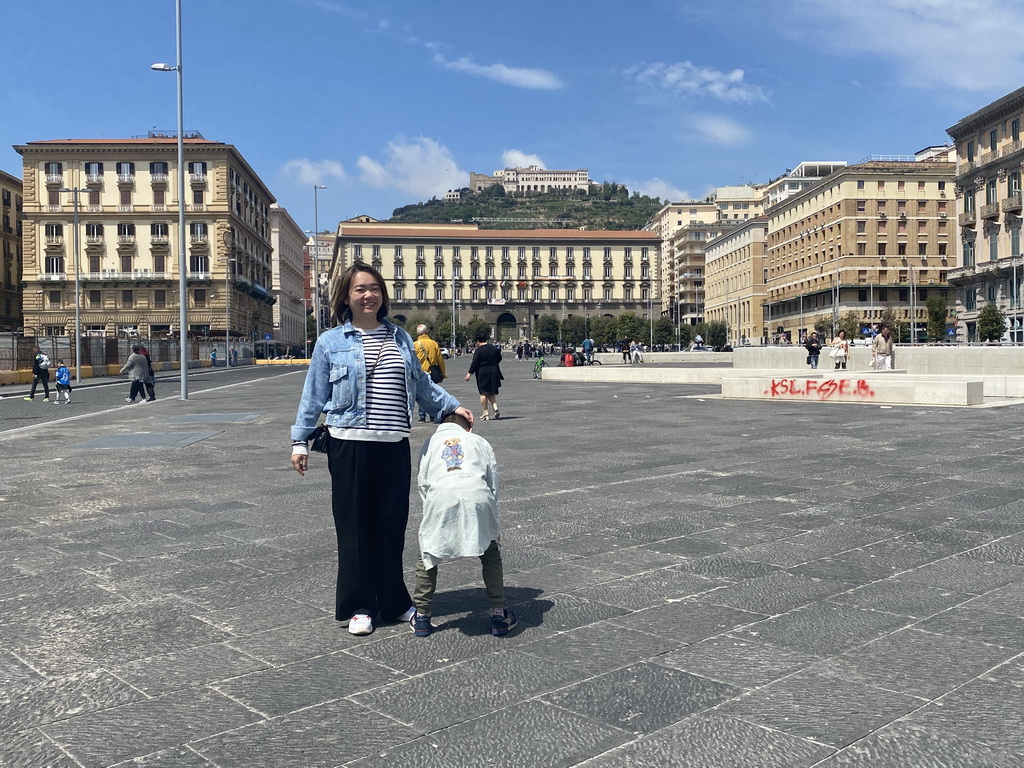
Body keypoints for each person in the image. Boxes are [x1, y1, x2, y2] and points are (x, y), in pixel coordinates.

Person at [290, 262, 474, 637]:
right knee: (354, 528)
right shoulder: (330, 342)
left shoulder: (401, 338)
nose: (368, 295)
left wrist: (451, 406)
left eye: (374, 288)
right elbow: (313, 395)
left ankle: (394, 601)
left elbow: (421, 384)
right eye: (360, 289)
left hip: (393, 446)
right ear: (346, 296)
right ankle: (359, 606)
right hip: (349, 444)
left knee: (392, 527)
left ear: (383, 295)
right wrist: (300, 440)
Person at [409, 412, 516, 638]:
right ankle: (498, 614)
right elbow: (492, 479)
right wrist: (490, 517)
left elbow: (423, 483)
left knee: (428, 555)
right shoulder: (478, 441)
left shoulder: (430, 442)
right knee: (490, 553)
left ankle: (422, 617)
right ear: (468, 428)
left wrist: (433, 508)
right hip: (478, 496)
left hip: (440, 498)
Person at [464, 328, 503, 421]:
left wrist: (469, 373)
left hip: (482, 371)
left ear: (478, 341)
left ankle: (486, 413)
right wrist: (493, 363)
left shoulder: (479, 350)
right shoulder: (494, 348)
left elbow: (475, 363)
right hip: (494, 371)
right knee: (491, 391)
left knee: (483, 392)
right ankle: (495, 407)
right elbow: (499, 358)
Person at [413, 324, 446, 423]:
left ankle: (422, 416)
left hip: (420, 372)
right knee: (432, 393)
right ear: (426, 332)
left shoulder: (414, 344)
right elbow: (440, 360)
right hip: (432, 372)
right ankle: (433, 414)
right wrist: (443, 373)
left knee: (421, 394)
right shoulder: (434, 344)